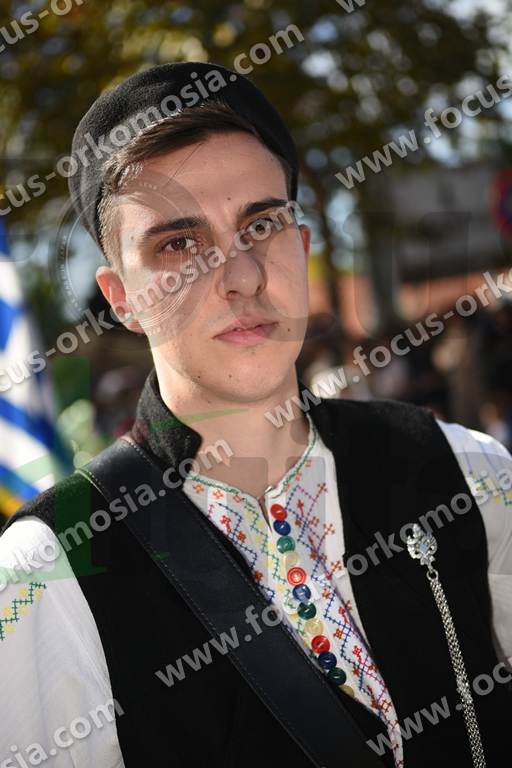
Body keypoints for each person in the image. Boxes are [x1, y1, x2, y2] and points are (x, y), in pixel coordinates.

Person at [1, 62, 511, 768]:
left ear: (301, 247)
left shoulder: (464, 468)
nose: (240, 276)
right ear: (122, 298)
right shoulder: (49, 570)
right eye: (178, 244)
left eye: (261, 224)